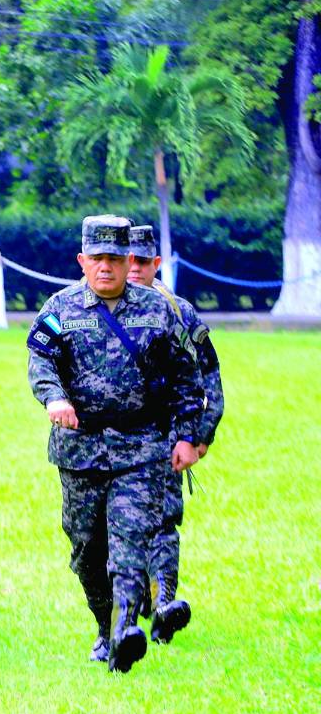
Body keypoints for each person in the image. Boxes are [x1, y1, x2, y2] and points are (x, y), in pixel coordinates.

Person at [26, 215, 203, 673]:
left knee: (129, 541)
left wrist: (188, 435)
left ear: (130, 262)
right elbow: (40, 363)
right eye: (97, 258)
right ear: (82, 261)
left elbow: (188, 376)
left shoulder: (158, 310)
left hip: (140, 447)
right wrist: (55, 398)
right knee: (87, 548)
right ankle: (105, 626)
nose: (106, 267)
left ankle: (127, 628)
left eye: (115, 259)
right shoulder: (59, 309)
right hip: (79, 449)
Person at [127, 223, 224, 643]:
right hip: (114, 436)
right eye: (124, 260)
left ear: (156, 264)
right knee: (122, 525)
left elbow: (210, 376)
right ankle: (137, 602)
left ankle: (164, 601)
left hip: (168, 430)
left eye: (142, 262)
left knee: (163, 519)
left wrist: (200, 434)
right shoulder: (92, 306)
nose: (133, 269)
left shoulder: (180, 312)